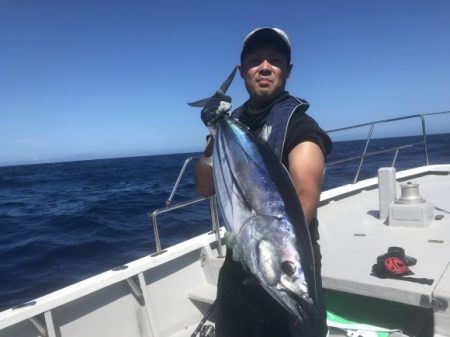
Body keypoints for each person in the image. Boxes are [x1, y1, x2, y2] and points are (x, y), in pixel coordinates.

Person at [194, 27, 332, 337]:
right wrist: (214, 134)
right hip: (237, 273)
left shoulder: (301, 128)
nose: (265, 67)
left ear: (288, 70)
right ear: (243, 71)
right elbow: (204, 188)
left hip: (287, 271)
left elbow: (304, 197)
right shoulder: (232, 123)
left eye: (275, 60)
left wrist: (276, 258)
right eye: (256, 60)